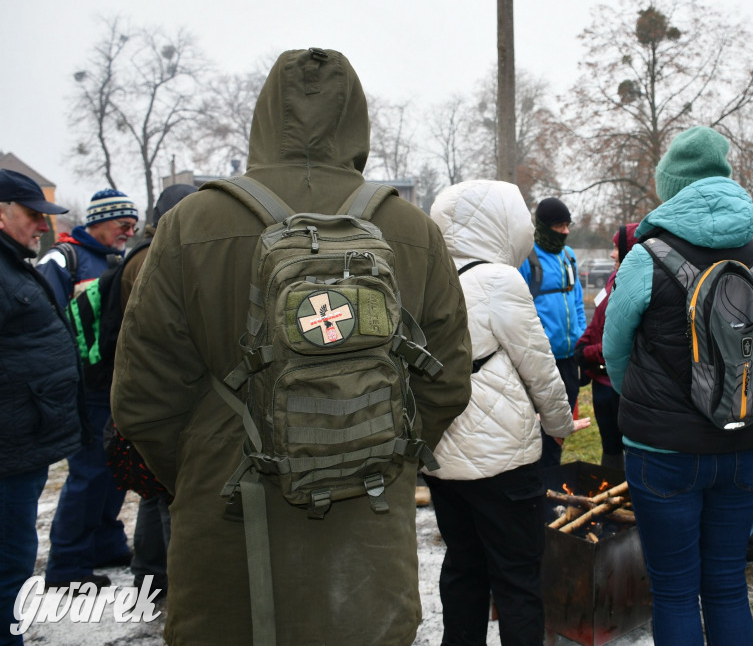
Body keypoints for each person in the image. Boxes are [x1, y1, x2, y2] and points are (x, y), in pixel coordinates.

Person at [111, 48, 473, 646]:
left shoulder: (188, 223)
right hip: (368, 529)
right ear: (357, 118)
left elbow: (143, 397)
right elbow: (447, 380)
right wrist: (373, 446)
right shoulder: (412, 230)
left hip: (229, 530)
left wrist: (209, 464)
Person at [603, 126, 753, 645]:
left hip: (662, 451)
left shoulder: (647, 257)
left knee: (676, 591)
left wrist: (643, 400)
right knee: (728, 585)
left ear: (672, 187)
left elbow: (617, 350)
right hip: (746, 443)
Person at [424, 179, 590, 646]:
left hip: (440, 457)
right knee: (517, 580)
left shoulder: (424, 277)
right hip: (503, 463)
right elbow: (539, 369)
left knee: (462, 568)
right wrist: (558, 427)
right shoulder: (498, 279)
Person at [36, 189, 138, 590]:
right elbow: (44, 322)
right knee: (88, 474)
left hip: (113, 385)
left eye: (132, 225)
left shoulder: (118, 259)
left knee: (115, 470)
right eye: (122, 224)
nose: (128, 232)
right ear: (97, 221)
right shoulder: (63, 260)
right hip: (83, 388)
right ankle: (66, 565)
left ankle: (105, 544)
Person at [0, 170, 83, 646]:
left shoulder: (12, 264)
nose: (41, 226)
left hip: (21, 447)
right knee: (9, 568)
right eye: (32, 215)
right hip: (9, 452)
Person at [118, 183, 197, 601]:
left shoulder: (143, 254)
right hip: (158, 390)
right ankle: (173, 580)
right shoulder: (155, 259)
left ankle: (148, 574)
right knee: (169, 493)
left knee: (152, 491)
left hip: (144, 385)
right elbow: (162, 332)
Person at [517, 197, 587, 469]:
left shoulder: (569, 257)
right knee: (537, 425)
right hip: (540, 361)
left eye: (568, 225)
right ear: (545, 227)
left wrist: (580, 335)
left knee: (561, 426)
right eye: (559, 225)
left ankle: (552, 477)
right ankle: (536, 477)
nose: (566, 231)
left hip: (570, 360)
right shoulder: (527, 259)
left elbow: (578, 301)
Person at [574, 223, 639, 470]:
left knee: (631, 449)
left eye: (616, 248)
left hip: (621, 386)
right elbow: (598, 321)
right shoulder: (613, 277)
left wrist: (588, 354)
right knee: (610, 448)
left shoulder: (635, 286)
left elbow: (624, 341)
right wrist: (582, 347)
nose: (612, 254)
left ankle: (631, 500)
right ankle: (610, 495)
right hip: (601, 382)